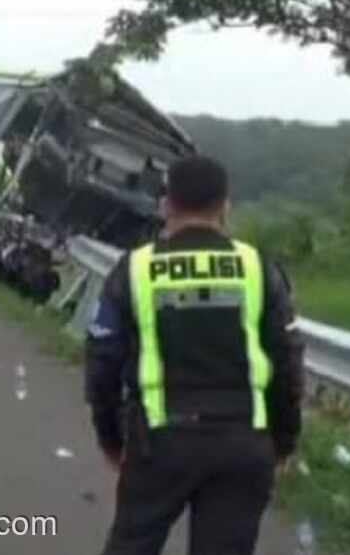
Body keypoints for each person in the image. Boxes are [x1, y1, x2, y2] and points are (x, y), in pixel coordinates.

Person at [85, 155, 304, 555]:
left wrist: (110, 437)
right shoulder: (257, 267)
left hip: (159, 441)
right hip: (242, 441)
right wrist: (284, 439)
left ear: (167, 204)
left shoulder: (135, 268)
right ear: (225, 206)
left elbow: (102, 357)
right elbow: (288, 360)